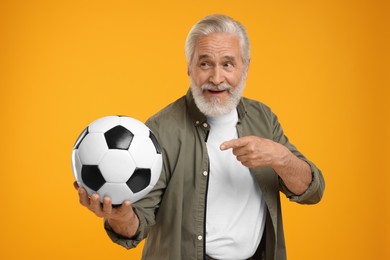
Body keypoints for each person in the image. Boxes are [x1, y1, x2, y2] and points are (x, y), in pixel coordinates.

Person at [74, 14, 325, 260]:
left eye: (228, 64)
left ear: (246, 67)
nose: (216, 79)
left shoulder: (263, 118)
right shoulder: (160, 129)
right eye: (205, 64)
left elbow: (311, 190)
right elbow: (138, 225)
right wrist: (119, 217)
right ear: (189, 67)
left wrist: (280, 158)